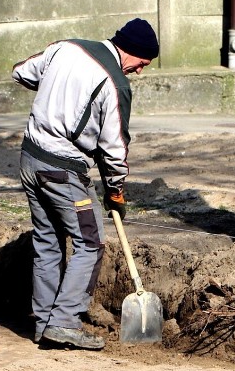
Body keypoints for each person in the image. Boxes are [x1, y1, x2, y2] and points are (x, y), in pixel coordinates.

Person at [12, 19, 159, 350]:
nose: (139, 71)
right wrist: (116, 190)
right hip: (62, 169)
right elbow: (114, 146)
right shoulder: (114, 83)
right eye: (142, 63)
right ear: (132, 52)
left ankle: (44, 323)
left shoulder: (65, 47)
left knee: (48, 240)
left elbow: (21, 72)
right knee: (90, 242)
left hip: (29, 159)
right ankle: (63, 322)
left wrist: (59, 91)